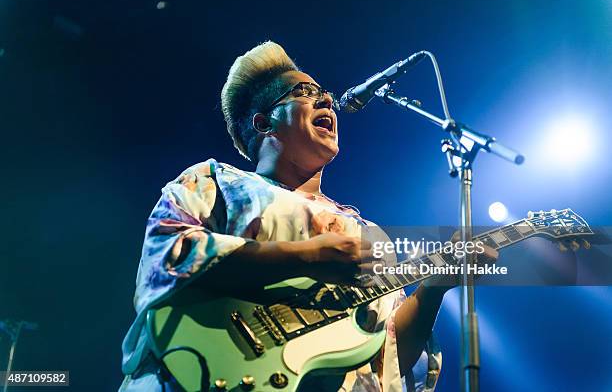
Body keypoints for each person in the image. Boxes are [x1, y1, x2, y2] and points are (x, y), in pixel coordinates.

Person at [118, 41, 498, 391]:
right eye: (305, 94)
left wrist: (433, 288)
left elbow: (390, 358)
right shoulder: (217, 180)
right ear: (264, 122)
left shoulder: (370, 236)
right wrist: (308, 255)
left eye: (327, 97)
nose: (327, 102)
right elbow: (170, 255)